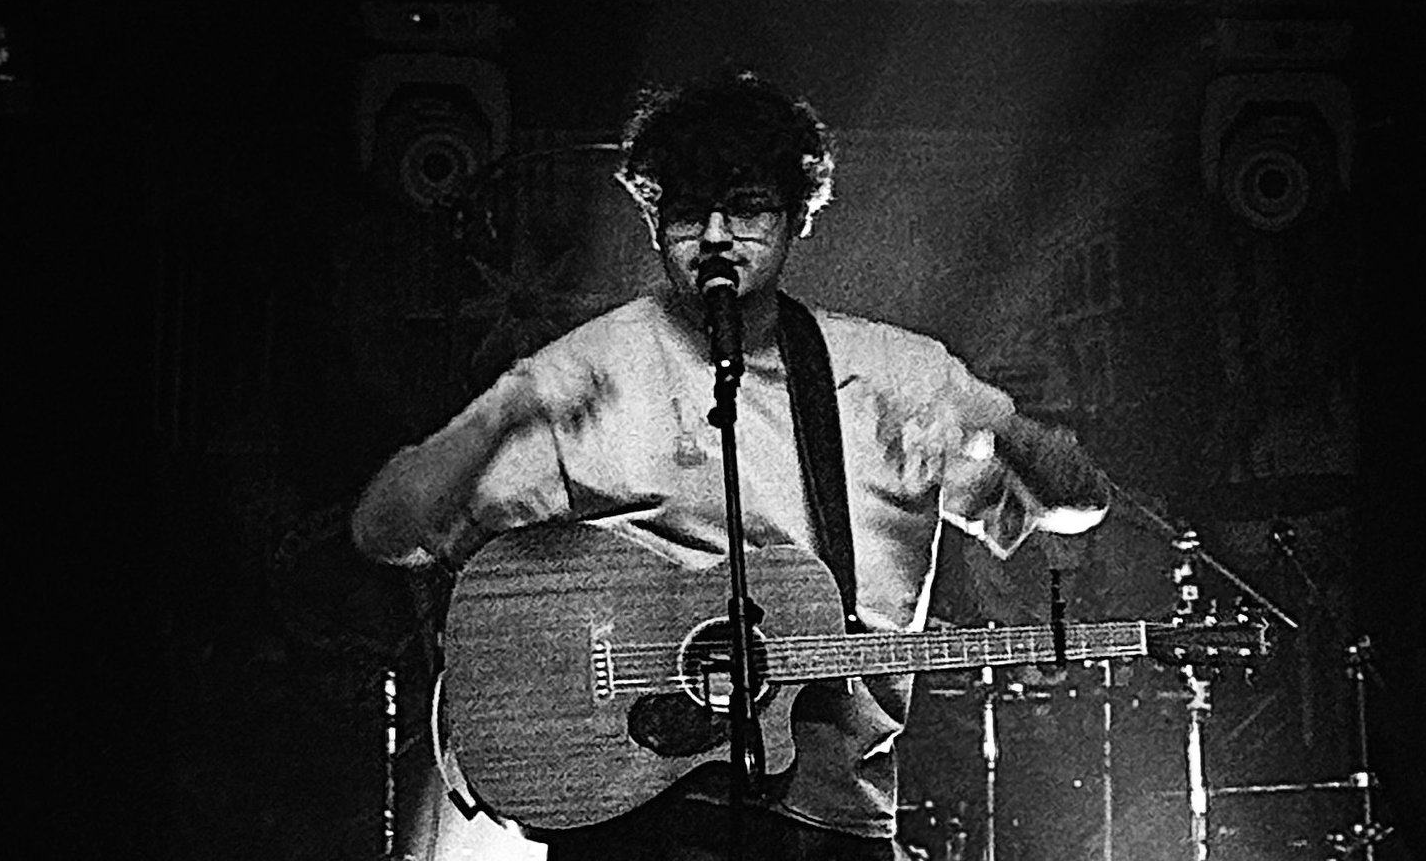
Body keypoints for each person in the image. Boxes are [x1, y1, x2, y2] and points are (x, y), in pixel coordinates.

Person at [351, 71, 1112, 861]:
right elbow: (386, 531)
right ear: (654, 221)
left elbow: (1076, 507)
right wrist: (502, 415)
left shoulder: (901, 375)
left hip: (833, 815)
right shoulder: (594, 366)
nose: (715, 235)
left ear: (795, 219)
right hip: (634, 809)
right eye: (686, 212)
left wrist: (1006, 434)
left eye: (746, 208)